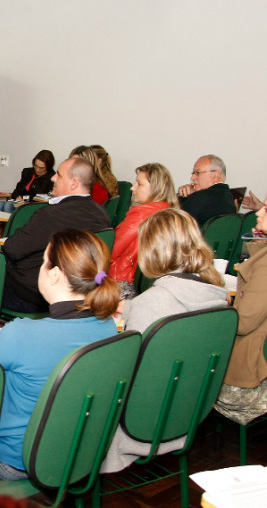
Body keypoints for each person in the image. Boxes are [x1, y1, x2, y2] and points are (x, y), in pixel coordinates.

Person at [101, 208, 226, 473]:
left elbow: (125, 371)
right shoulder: (217, 297)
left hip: (138, 425)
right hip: (185, 416)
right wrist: (133, 307)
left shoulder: (154, 303)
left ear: (152, 251)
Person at [0, 229, 120, 480]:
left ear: (55, 275)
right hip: (79, 453)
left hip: (14, 462)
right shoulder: (109, 327)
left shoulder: (22, 334)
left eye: (43, 262)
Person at [1, 157, 111, 313]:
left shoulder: (50, 215)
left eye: (59, 175)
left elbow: (13, 248)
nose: (53, 177)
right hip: (80, 292)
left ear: (73, 183)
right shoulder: (102, 215)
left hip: (32, 295)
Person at [216, 205, 267, 425]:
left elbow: (243, 323)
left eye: (266, 209)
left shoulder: (265, 266)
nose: (258, 213)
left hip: (248, 384)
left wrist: (219, 309)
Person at [109, 163, 179, 289]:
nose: (133, 188)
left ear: (156, 188)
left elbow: (110, 252)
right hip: (149, 284)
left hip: (120, 281)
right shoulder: (172, 213)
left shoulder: (140, 216)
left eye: (139, 184)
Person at [177, 154, 236, 228]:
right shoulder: (229, 197)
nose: (192, 178)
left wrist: (181, 196)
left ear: (215, 175)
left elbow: (173, 224)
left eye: (197, 173)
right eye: (193, 174)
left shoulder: (200, 198)